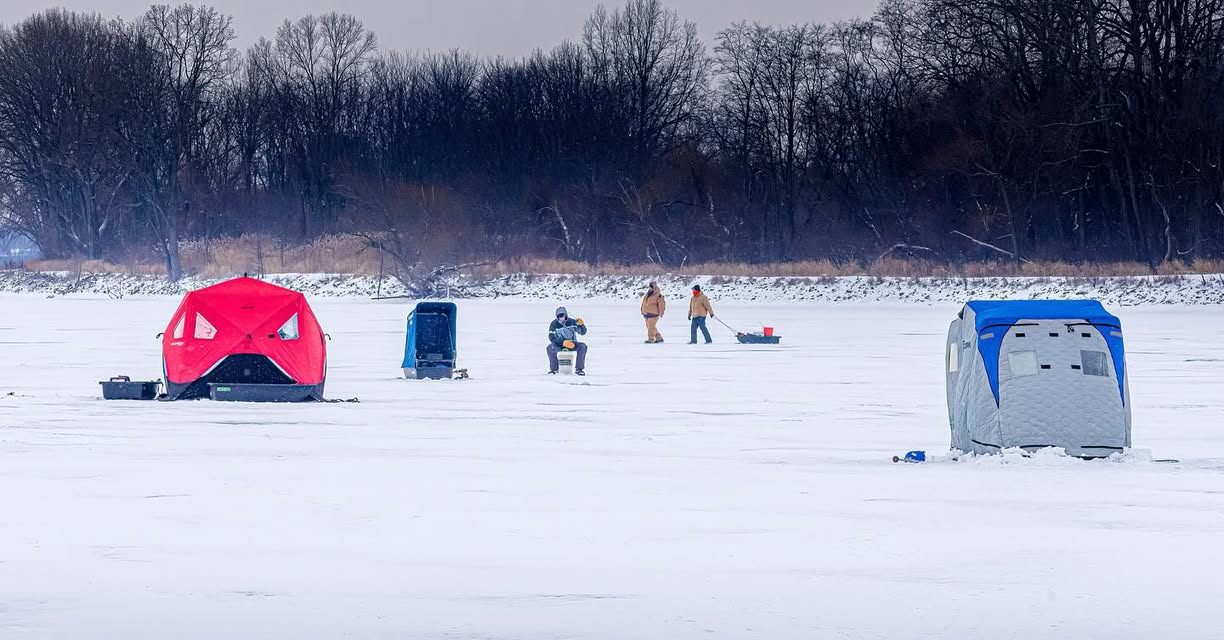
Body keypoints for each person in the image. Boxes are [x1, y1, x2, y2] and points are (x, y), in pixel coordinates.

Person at [547, 306, 588, 375]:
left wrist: (581, 325)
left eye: (562, 315)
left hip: (572, 344)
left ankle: (579, 369)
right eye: (559, 316)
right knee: (550, 348)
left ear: (566, 315)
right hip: (560, 344)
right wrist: (562, 342)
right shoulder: (553, 324)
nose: (561, 317)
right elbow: (551, 337)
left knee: (583, 346)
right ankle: (554, 369)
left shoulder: (572, 322)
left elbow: (583, 332)